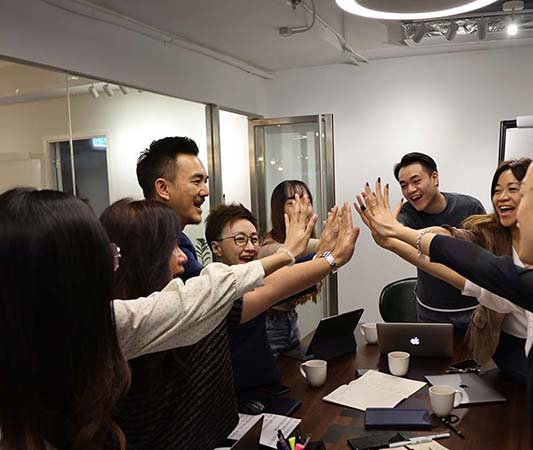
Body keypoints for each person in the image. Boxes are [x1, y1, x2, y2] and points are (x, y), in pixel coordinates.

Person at [355, 133, 533, 450]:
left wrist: (399, 235)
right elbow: (479, 265)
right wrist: (397, 235)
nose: (509, 206)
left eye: (524, 194)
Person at [0, 188, 280, 450]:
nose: (112, 267)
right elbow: (200, 298)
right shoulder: (105, 325)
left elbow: (196, 299)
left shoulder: (98, 322)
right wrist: (296, 252)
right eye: (103, 257)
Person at [100, 195, 340, 450]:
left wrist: (327, 259)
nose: (182, 257)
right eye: (170, 247)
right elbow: (248, 289)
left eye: (253, 239)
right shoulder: (128, 324)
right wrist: (314, 257)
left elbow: (266, 286)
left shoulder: (197, 298)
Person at [358, 159, 533, 383]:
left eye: (512, 189)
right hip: (492, 335)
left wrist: (396, 234)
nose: (502, 197)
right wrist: (396, 235)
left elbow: (474, 279)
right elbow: (447, 239)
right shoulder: (490, 232)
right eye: (497, 190)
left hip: (519, 338)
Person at [205, 202, 358, 392]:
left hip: (268, 387)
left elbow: (293, 276)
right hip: (233, 396)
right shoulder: (210, 291)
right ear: (216, 248)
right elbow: (275, 284)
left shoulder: (256, 275)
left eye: (254, 239)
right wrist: (330, 258)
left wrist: (323, 254)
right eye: (240, 239)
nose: (250, 247)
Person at [393, 152, 485, 329]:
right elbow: (399, 233)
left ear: (434, 177)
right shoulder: (407, 213)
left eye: (416, 181)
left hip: (472, 308)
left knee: (474, 357)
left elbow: (485, 250)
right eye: (404, 185)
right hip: (430, 311)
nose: (410, 190)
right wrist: (388, 227)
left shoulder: (470, 206)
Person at [258, 180, 320, 355]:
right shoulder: (270, 247)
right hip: (269, 324)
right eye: (292, 202)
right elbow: (304, 248)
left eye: (307, 202)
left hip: (289, 318)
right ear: (279, 210)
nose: (303, 208)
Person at [136, 136, 208, 280]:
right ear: (163, 188)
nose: (205, 191)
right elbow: (208, 291)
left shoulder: (180, 239)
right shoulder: (143, 240)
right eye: (196, 181)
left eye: (205, 181)